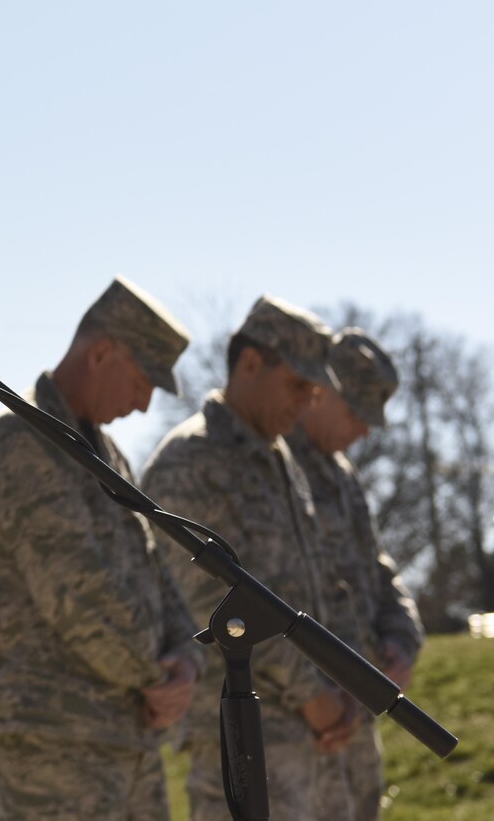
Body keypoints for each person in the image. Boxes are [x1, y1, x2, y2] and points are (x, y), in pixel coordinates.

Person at [0, 277, 205, 820]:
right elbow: (77, 597)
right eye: (142, 382)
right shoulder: (21, 440)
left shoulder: (108, 454)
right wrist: (158, 678)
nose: (142, 406)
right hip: (53, 735)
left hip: (128, 730)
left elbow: (158, 574)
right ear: (101, 353)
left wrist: (188, 659)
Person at [142, 296, 358, 820]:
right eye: (296, 385)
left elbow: (316, 581)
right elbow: (213, 604)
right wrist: (314, 695)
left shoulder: (282, 458)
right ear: (250, 364)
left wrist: (339, 689)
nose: (307, 403)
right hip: (246, 734)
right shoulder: (192, 459)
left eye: (314, 391)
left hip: (316, 731)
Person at [295, 328, 424, 819]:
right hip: (298, 721)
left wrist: (402, 635)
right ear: (319, 393)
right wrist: (313, 695)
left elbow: (377, 567)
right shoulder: (272, 466)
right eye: (357, 415)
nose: (366, 432)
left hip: (356, 715)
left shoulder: (342, 475)